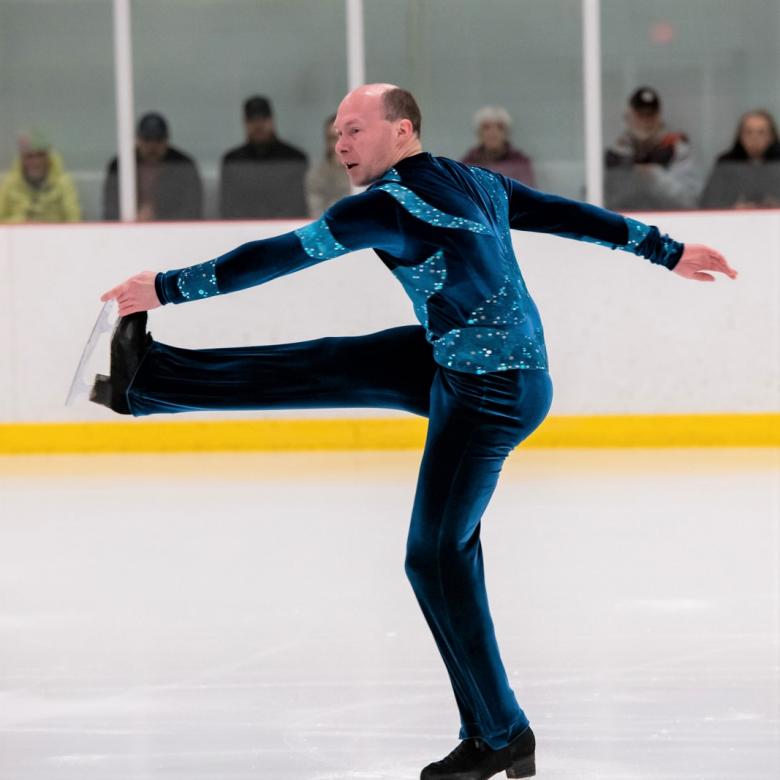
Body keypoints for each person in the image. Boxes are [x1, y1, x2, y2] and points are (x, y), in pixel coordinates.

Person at [92, 84, 736, 780]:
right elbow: (566, 215)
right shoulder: (473, 181)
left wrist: (170, 286)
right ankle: (150, 381)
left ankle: (500, 734)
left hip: (490, 392)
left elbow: (279, 255)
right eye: (336, 132)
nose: (340, 145)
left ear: (402, 131)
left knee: (433, 557)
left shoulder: (393, 203)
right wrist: (663, 251)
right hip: (463, 362)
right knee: (334, 363)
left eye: (355, 130)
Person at [605, 86, 701, 211]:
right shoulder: (615, 153)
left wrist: (656, 177)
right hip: (625, 223)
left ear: (659, 116)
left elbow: (691, 200)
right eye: (640, 115)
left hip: (670, 223)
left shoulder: (675, 148)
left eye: (650, 115)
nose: (645, 121)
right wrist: (631, 178)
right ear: (629, 115)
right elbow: (596, 196)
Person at [219, 95, 308, 219]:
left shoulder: (294, 159)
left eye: (263, 119)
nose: (258, 125)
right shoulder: (233, 161)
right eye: (252, 120)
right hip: (242, 232)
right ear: (245, 123)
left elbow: (298, 205)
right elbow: (228, 207)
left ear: (272, 120)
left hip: (285, 231)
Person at [103, 112, 203, 221]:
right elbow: (110, 208)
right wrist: (131, 220)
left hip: (174, 233)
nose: (152, 146)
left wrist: (159, 220)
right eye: (147, 140)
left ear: (167, 140)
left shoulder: (183, 166)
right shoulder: (120, 166)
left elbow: (192, 209)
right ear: (138, 140)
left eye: (158, 140)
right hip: (128, 233)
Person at [700, 109, 780, 209]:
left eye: (761, 132)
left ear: (771, 137)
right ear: (740, 136)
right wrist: (733, 208)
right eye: (749, 132)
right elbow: (709, 203)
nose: (754, 138)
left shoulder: (777, 164)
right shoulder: (726, 165)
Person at [0, 130, 81, 223]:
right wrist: (21, 223)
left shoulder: (63, 183)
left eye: (40, 155)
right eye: (30, 156)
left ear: (49, 157)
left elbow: (75, 219)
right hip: (17, 234)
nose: (36, 162)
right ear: (21, 159)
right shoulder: (10, 184)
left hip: (55, 235)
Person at [460, 106, 536, 186]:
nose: (493, 132)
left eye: (499, 127)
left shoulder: (520, 162)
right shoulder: (467, 164)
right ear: (479, 133)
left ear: (507, 133)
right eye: (486, 127)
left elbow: (527, 193)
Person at [305, 113, 351, 217]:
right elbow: (316, 214)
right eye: (333, 139)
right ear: (327, 142)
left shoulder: (371, 171)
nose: (339, 144)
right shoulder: (318, 174)